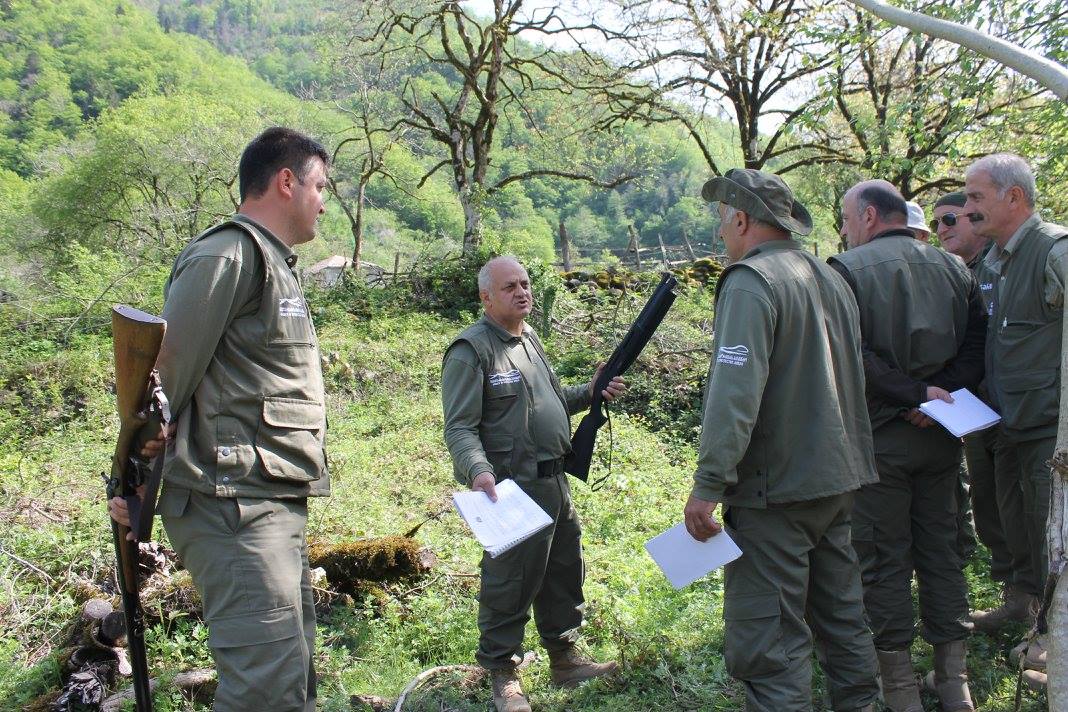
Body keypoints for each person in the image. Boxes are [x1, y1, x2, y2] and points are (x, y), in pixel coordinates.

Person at [109, 127, 332, 711]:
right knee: (265, 689)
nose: (324, 202)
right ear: (286, 182)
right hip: (231, 502)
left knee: (292, 680)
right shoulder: (228, 254)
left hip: (265, 498)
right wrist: (135, 482)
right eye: (319, 187)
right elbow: (162, 384)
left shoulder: (274, 262)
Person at [684, 168, 879, 712]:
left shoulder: (751, 281)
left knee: (770, 645)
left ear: (742, 221)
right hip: (837, 481)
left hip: (776, 492)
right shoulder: (829, 276)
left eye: (723, 221)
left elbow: (734, 395)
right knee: (843, 621)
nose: (720, 233)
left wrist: (709, 483)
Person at [441, 256, 625, 712]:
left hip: (555, 482)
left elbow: (554, 402)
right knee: (511, 581)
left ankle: (565, 659)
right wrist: (477, 469)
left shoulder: (530, 340)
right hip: (511, 491)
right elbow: (459, 426)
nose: (522, 292)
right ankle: (503, 675)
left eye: (525, 283)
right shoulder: (471, 351)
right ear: (486, 297)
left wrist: (592, 391)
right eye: (510, 287)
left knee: (564, 571)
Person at [830, 180, 986, 712]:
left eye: (846, 217)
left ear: (870, 216)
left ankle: (898, 687)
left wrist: (916, 394)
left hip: (880, 439)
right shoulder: (957, 269)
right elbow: (977, 348)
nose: (844, 229)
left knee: (881, 558)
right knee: (943, 551)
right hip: (940, 434)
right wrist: (937, 395)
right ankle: (954, 681)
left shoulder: (845, 271)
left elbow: (853, 354)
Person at [964, 153, 1068, 674]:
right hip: (1010, 423)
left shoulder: (1054, 249)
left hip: (1049, 430)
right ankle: (1023, 607)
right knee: (1016, 523)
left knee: (1053, 531)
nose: (967, 208)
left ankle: (1055, 640)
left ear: (1014, 197)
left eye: (976, 197)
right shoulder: (996, 260)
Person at [935, 192, 1034, 633]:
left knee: (1023, 507)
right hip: (974, 410)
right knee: (988, 504)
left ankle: (1037, 603)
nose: (942, 229)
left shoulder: (1004, 266)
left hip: (1019, 411)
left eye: (951, 219)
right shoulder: (957, 275)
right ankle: (1015, 598)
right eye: (937, 223)